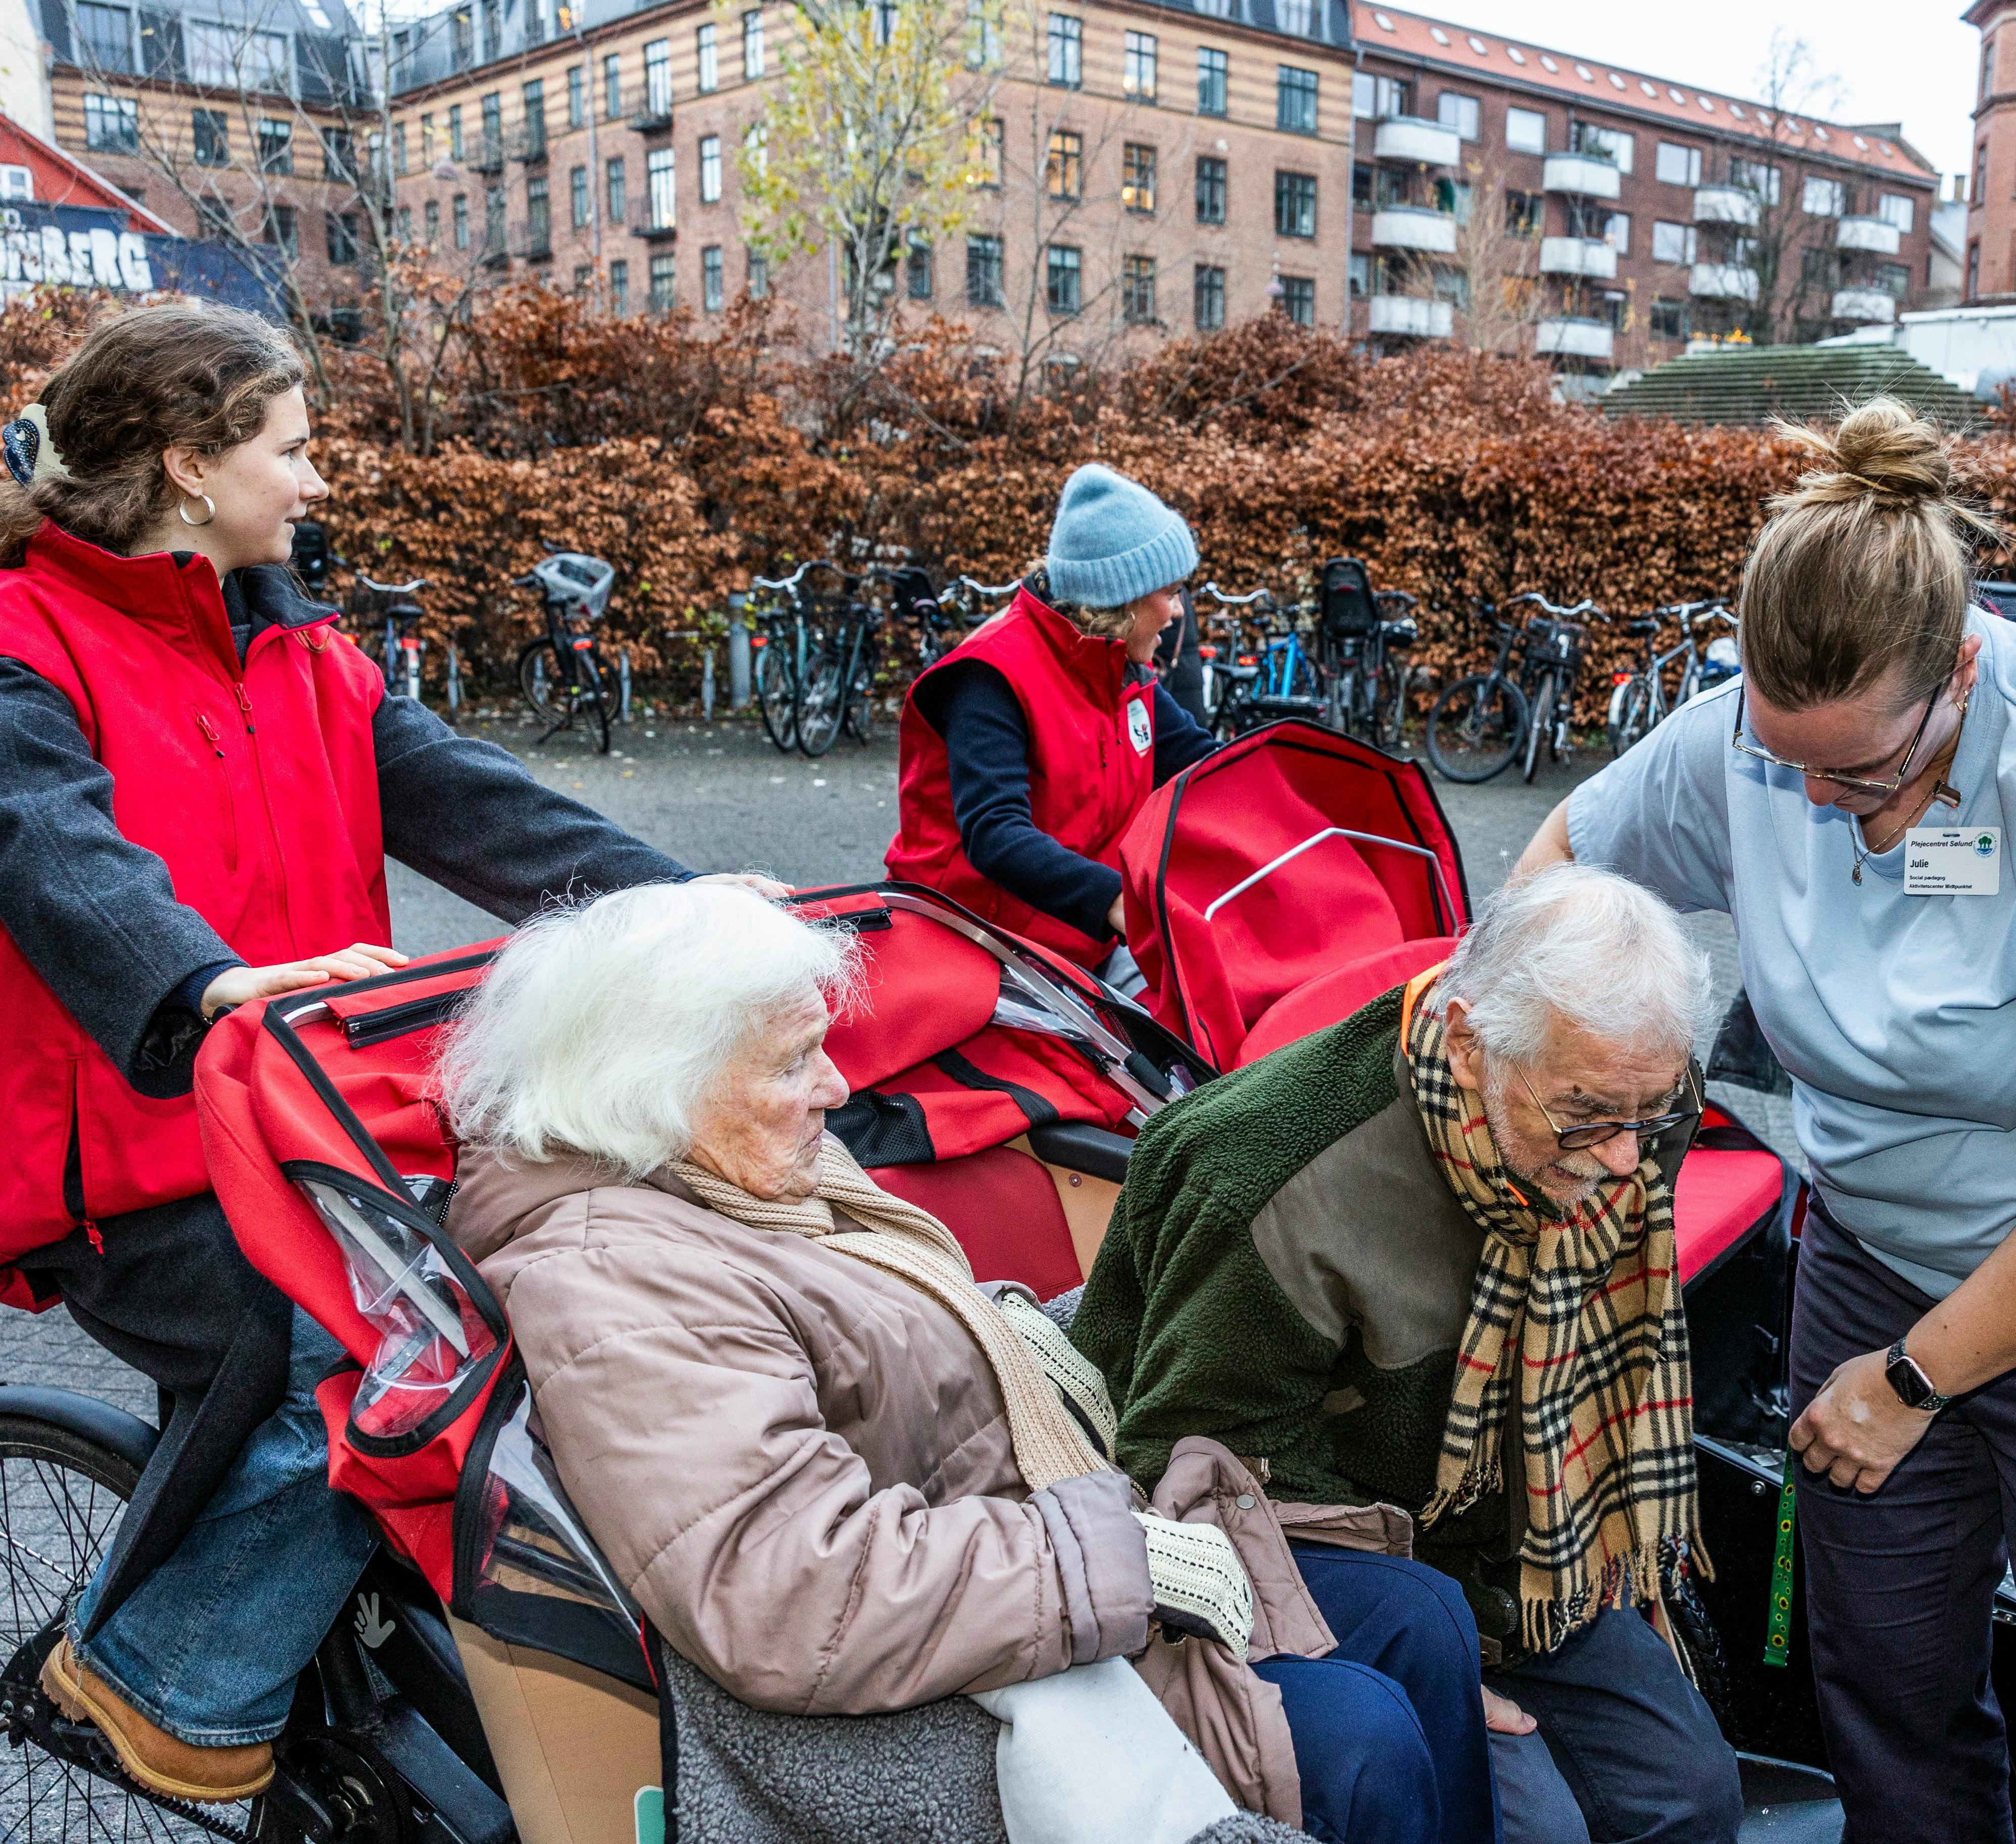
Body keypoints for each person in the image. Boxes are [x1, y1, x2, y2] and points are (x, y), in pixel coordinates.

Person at [1517, 399, 2016, 1844]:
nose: (1824, 807)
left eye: (1866, 776)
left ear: (1961, 668)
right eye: (1795, 770)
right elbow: (1566, 862)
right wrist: (1537, 1062)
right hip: (1888, 1249)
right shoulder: (1755, 745)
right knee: (1882, 1689)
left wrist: (1909, 1384)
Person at [0, 301, 777, 1805]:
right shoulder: (22, 643)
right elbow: (52, 848)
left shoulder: (299, 642)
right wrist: (212, 981)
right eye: (293, 451)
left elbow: (469, 797)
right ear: (184, 465)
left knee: (562, 1265)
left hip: (311, 1116)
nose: (318, 482)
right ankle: (152, 1675)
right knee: (377, 1340)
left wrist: (684, 907)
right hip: (135, 1150)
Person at [439, 882, 1481, 1844]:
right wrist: (1113, 1558)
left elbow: (925, 1348)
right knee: (1361, 1740)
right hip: (946, 1657)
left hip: (1026, 1536)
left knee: (1423, 1619)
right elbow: (786, 1591)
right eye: (795, 1061)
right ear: (656, 1086)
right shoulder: (619, 1282)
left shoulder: (717, 1168)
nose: (837, 1087)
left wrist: (1136, 1298)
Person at [1073, 863, 1746, 1844]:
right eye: (1590, 1114)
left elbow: (1594, 1367)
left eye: (1651, 1114)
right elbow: (1203, 1493)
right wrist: (1424, 1667)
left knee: (1693, 1791)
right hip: (1331, 1572)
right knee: (1538, 1831)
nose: (1626, 1162)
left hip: (1523, 1553)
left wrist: (1608, 1563)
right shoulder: (1266, 1181)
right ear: (1470, 1046)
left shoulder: (1629, 1099)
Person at [889, 464, 1217, 984]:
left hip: (1076, 943)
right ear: (1124, 600)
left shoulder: (1121, 673)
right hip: (969, 949)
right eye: (1171, 592)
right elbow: (996, 834)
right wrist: (1114, 901)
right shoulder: (988, 677)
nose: (1178, 611)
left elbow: (1210, 769)